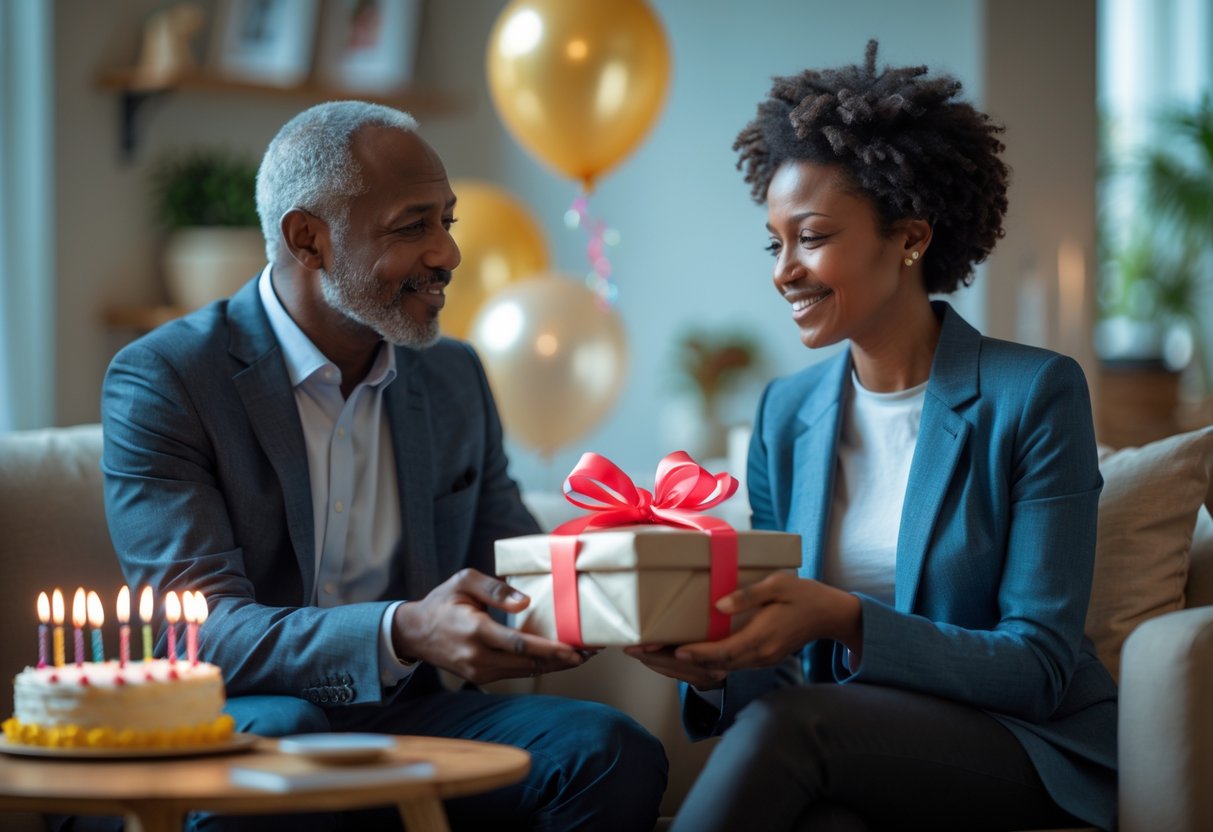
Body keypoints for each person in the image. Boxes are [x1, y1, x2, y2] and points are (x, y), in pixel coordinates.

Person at [99, 100, 667, 832]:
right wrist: (401, 631)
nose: (448, 254)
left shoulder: (453, 376)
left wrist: (642, 598)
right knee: (289, 744)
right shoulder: (167, 377)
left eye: (447, 221)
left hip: (412, 718)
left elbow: (515, 563)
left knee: (607, 750)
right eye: (412, 226)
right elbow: (197, 633)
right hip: (245, 721)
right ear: (308, 239)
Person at [625, 41, 1116, 831]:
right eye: (773, 242)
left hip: (1021, 742)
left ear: (910, 238)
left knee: (796, 732)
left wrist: (840, 616)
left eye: (811, 237)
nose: (783, 270)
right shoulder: (786, 413)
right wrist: (711, 665)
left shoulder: (1034, 394)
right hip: (845, 739)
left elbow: (1038, 666)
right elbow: (779, 664)